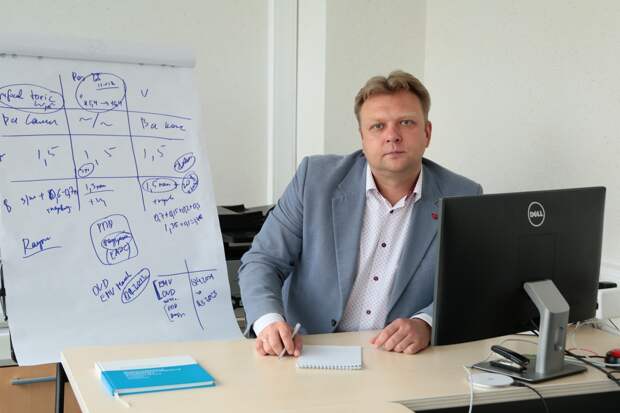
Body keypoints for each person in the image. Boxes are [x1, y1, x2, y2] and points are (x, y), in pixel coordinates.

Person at [238, 70, 482, 357]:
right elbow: (263, 261)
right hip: (306, 350)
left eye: (406, 122)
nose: (392, 136)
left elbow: (470, 285)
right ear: (362, 138)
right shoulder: (314, 180)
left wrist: (426, 323)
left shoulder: (462, 196)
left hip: (399, 359)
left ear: (427, 133)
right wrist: (269, 322)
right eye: (378, 126)